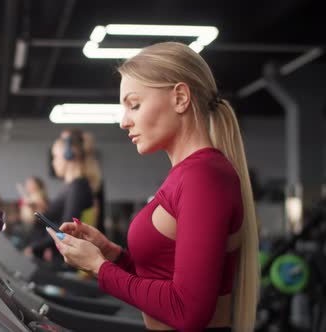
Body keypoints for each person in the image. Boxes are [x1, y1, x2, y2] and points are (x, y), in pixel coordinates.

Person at [46, 42, 259, 332]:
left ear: (180, 98)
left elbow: (188, 311)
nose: (124, 122)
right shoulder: (188, 174)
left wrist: (100, 267)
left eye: (134, 105)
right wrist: (112, 255)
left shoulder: (203, 177)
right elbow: (163, 281)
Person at [24, 132, 94, 261]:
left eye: (55, 157)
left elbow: (65, 230)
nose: (53, 162)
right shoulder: (71, 187)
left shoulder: (77, 187)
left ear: (68, 156)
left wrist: (34, 248)